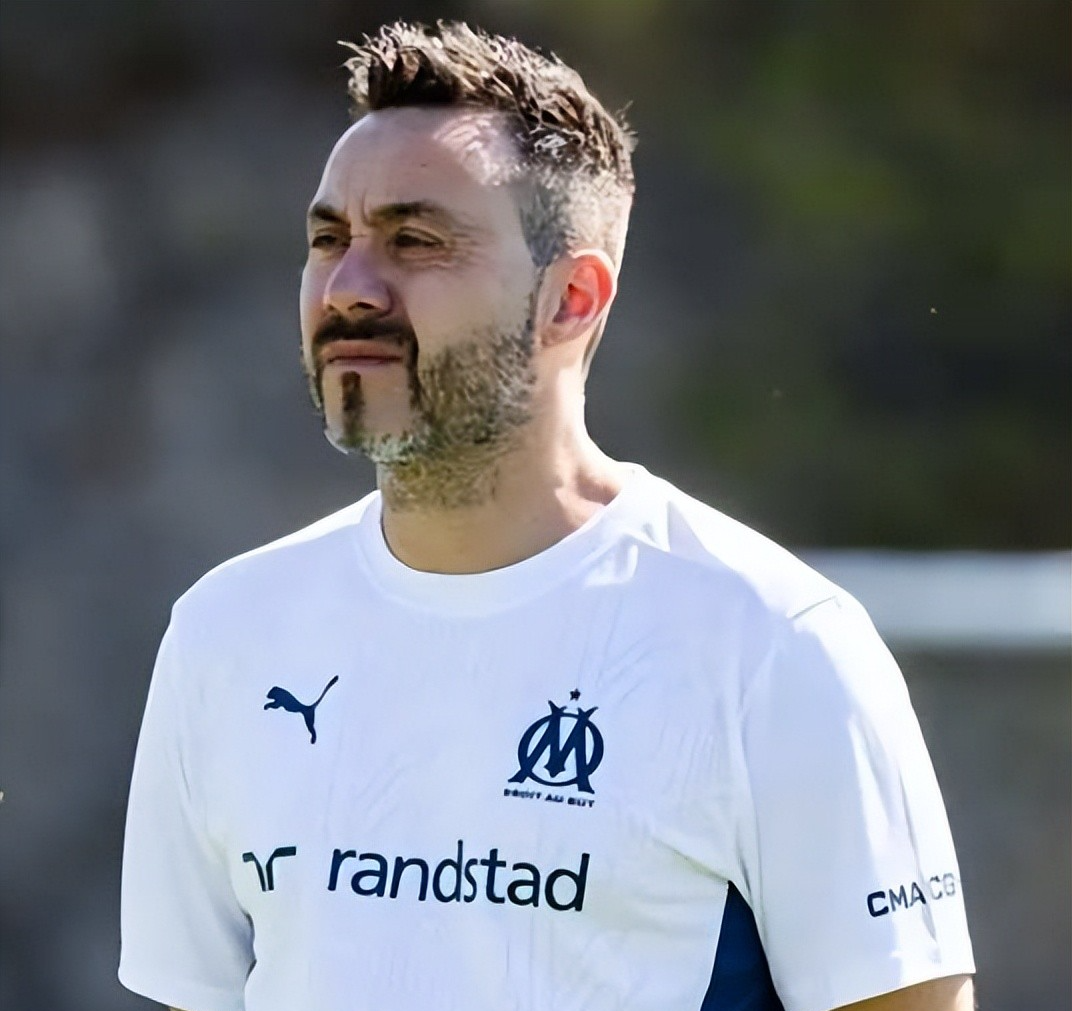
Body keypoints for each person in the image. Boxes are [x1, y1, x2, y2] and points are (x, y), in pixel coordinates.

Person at [119, 20, 975, 1011]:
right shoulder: (227, 633)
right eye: (328, 241)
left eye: (414, 241)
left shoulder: (772, 641)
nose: (349, 288)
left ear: (570, 298)